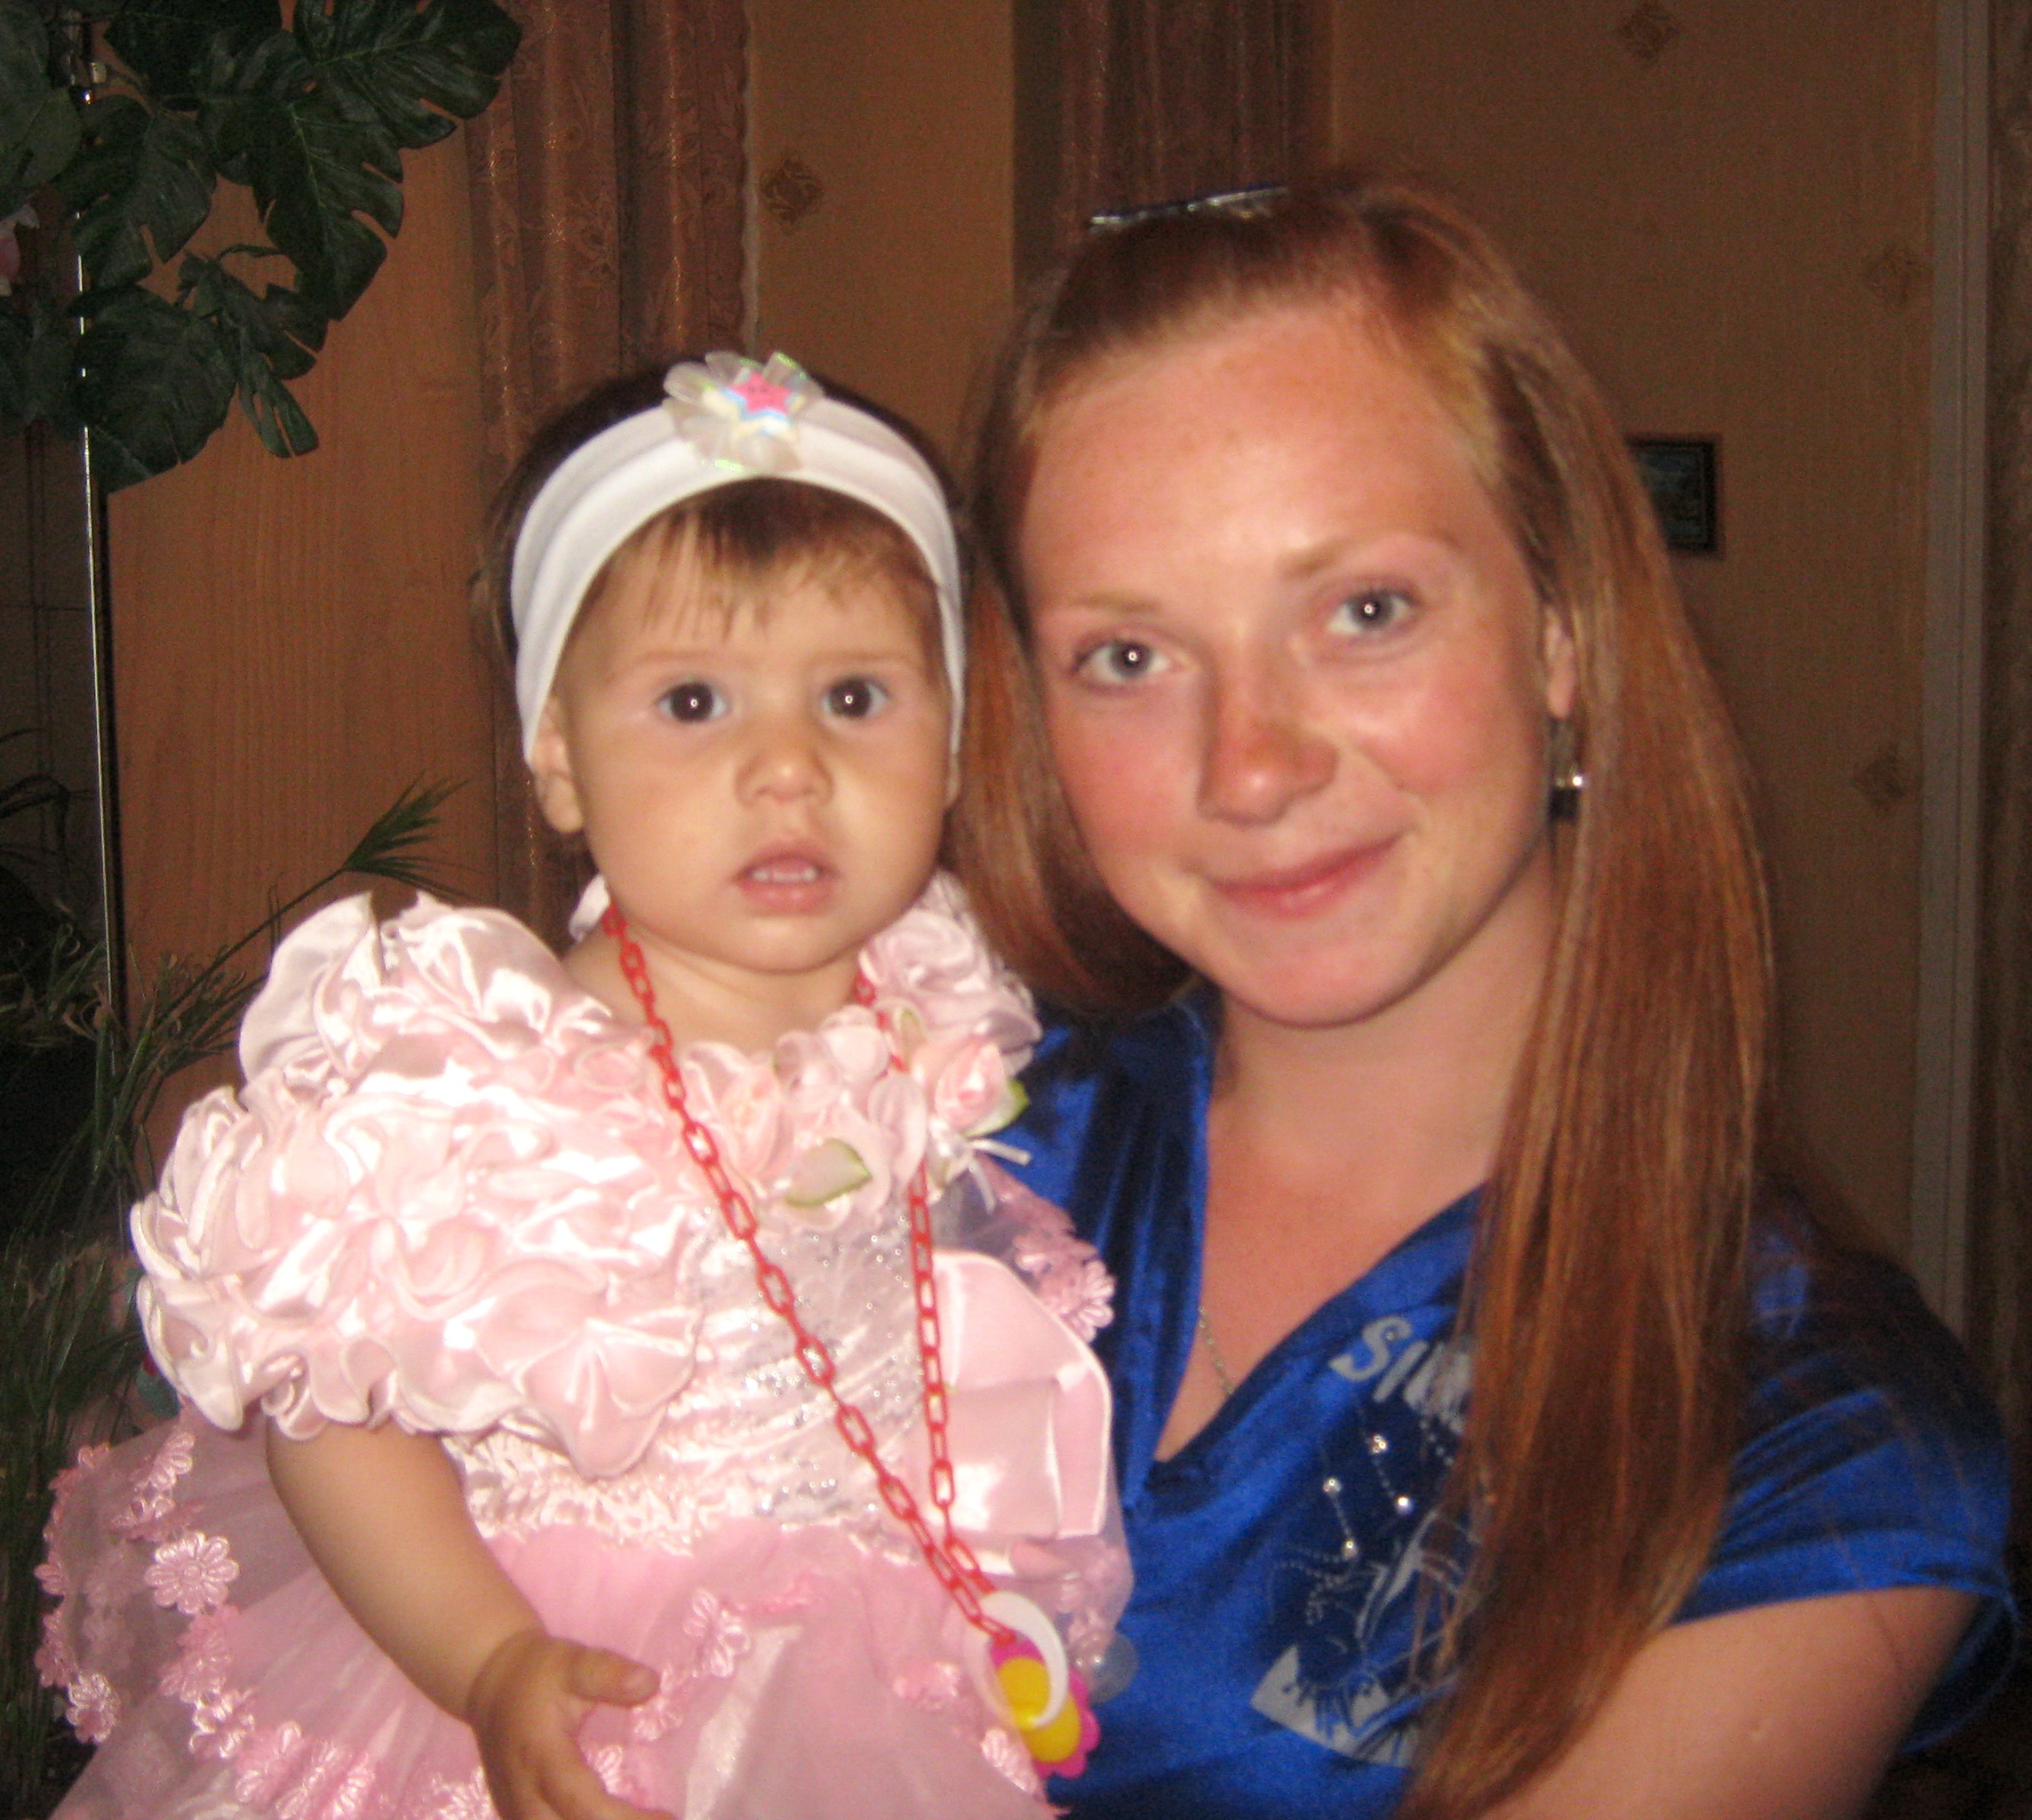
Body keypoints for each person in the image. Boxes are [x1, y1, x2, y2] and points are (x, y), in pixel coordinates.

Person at [952, 172, 2014, 1819]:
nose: (1249, 767)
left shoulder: (1812, 1450)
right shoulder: (930, 1145)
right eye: (1130, 657)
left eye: (1364, 612)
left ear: (1562, 633)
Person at [37, 354, 1128, 1820]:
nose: (788, 769)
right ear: (559, 756)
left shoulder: (928, 992)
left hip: (878, 1650)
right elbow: (334, 1418)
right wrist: (487, 1662)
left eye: (855, 696)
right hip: (583, 1677)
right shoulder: (490, 1085)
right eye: (694, 701)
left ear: (950, 742)